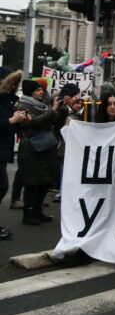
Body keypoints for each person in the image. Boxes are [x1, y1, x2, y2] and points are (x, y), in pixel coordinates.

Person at [15, 79, 66, 225]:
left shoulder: (44, 105)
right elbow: (35, 122)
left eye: (41, 90)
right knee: (32, 183)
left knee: (44, 182)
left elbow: (53, 121)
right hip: (31, 149)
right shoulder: (24, 105)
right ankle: (28, 213)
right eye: (37, 90)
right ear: (30, 92)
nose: (41, 92)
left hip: (45, 148)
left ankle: (37, 210)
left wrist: (61, 110)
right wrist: (52, 110)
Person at [0, 68, 26, 238]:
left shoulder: (10, 101)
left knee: (1, 187)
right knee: (1, 186)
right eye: (12, 84)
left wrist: (21, 120)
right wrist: (11, 120)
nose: (14, 88)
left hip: (3, 150)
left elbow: (14, 126)